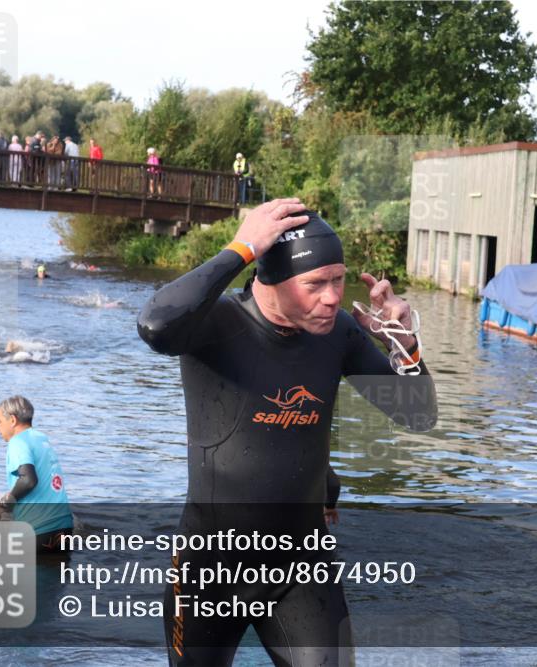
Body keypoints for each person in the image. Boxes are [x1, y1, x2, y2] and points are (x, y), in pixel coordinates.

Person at [137, 198, 437, 666]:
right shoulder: (214, 325)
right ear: (268, 279)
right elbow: (156, 326)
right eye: (315, 283)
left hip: (302, 567)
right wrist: (242, 247)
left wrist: (403, 342)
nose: (333, 297)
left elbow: (416, 415)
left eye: (338, 279)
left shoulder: (338, 332)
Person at [0, 395, 73, 552]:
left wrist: (4, 504)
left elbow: (28, 480)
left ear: (13, 420)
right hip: (65, 527)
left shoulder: (18, 442)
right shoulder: (41, 439)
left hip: (39, 531)